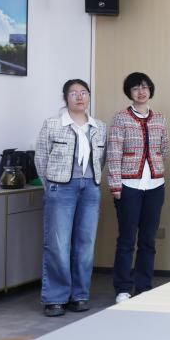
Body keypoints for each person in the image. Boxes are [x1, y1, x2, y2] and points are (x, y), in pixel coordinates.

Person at [35, 79, 106, 317]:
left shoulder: (99, 127)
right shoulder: (53, 124)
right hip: (61, 188)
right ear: (66, 98)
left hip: (90, 189)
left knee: (85, 244)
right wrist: (52, 185)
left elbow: (102, 159)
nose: (79, 97)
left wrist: (92, 181)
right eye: (74, 93)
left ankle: (79, 295)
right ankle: (55, 298)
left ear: (89, 97)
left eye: (84, 92)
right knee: (58, 244)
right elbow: (41, 158)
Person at [106, 72, 169, 304]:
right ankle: (123, 288)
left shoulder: (160, 118)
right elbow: (113, 153)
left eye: (144, 87)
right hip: (128, 186)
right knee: (126, 239)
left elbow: (164, 148)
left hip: (155, 185)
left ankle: (144, 286)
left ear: (150, 90)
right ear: (129, 93)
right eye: (135, 88)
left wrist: (155, 168)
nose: (141, 92)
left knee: (148, 240)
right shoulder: (121, 118)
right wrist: (115, 184)